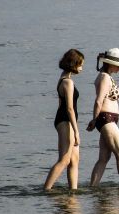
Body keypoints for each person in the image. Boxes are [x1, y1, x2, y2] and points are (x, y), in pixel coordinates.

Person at [87, 48, 119, 187]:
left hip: (107, 120)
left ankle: (93, 187)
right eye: (118, 65)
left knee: (104, 158)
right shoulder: (105, 78)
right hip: (106, 119)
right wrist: (94, 120)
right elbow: (99, 100)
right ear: (110, 63)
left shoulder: (105, 76)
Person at [44, 49, 84, 190]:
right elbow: (69, 108)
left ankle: (73, 191)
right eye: (80, 64)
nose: (81, 68)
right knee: (65, 159)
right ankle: (47, 189)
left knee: (74, 160)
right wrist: (76, 131)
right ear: (73, 64)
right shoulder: (68, 82)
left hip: (65, 120)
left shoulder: (64, 78)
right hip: (66, 121)